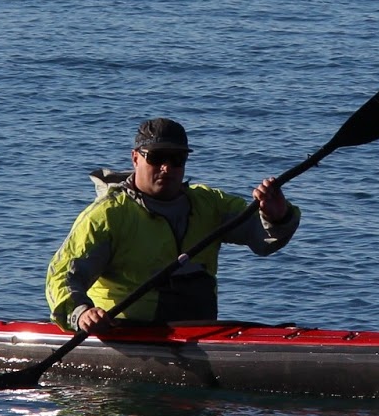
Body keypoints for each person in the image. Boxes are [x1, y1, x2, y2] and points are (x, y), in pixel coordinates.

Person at [46, 117, 300, 332]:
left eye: (177, 159)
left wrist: (276, 216)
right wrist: (82, 313)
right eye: (156, 158)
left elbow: (264, 240)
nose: (167, 168)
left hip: (196, 330)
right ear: (136, 158)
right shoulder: (107, 216)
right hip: (126, 333)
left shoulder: (209, 204)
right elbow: (62, 275)